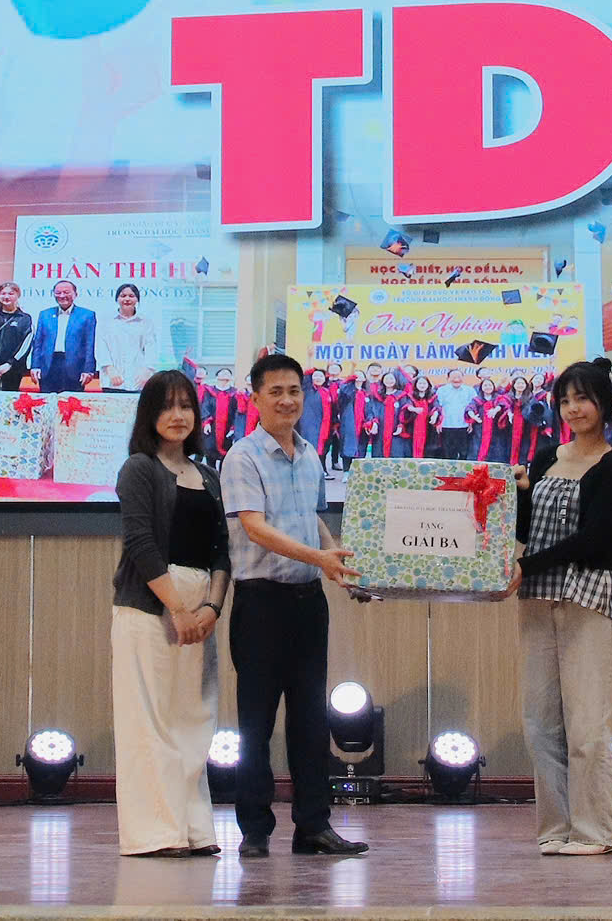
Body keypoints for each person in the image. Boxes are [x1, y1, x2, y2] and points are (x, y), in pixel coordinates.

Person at [220, 353, 367, 858]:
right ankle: (255, 830)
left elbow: (312, 519)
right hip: (260, 604)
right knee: (255, 722)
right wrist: (319, 558)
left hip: (308, 604)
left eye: (294, 391)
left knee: (310, 721)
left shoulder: (309, 454)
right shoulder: (241, 458)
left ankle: (313, 827)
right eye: (276, 391)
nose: (287, 400)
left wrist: (338, 561)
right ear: (255, 399)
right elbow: (255, 528)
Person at [512, 357, 612, 857]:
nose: (573, 408)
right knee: (541, 724)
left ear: (604, 404)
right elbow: (525, 529)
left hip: (589, 600)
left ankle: (594, 832)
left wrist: (526, 566)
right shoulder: (545, 456)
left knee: (587, 726)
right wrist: (517, 494)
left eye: (582, 398)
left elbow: (595, 539)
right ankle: (555, 828)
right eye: (565, 400)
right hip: (537, 600)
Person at [111, 371, 232, 857]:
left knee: (194, 720)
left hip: (200, 609)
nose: (178, 416)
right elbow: (140, 543)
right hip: (150, 609)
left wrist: (211, 608)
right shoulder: (138, 469)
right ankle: (154, 834)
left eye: (186, 406)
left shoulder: (209, 476)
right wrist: (177, 608)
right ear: (149, 415)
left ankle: (193, 829)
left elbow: (222, 552)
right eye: (167, 406)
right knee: (150, 722)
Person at [31, 279, 99, 394]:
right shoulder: (45, 314)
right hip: (48, 365)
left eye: (66, 292)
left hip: (75, 367)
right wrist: (35, 365)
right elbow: (38, 343)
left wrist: (88, 369)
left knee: (72, 402)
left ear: (75, 294)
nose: (62, 296)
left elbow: (90, 344)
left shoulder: (87, 315)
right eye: (58, 293)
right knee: (46, 401)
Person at [103, 283, 167, 393]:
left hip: (138, 379)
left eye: (131, 296)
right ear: (117, 299)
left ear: (137, 299)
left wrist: (147, 370)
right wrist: (109, 368)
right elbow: (101, 347)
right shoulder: (106, 321)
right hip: (112, 379)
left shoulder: (146, 322)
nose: (127, 299)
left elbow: (151, 348)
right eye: (123, 296)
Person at [435, 368, 479, 459]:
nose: (456, 379)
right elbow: (438, 407)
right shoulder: (442, 390)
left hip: (464, 426)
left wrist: (471, 422)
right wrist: (438, 422)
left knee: (464, 452)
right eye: (453, 377)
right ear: (448, 378)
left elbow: (474, 407)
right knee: (448, 453)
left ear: (463, 378)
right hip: (446, 425)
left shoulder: (470, 390)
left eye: (459, 377)